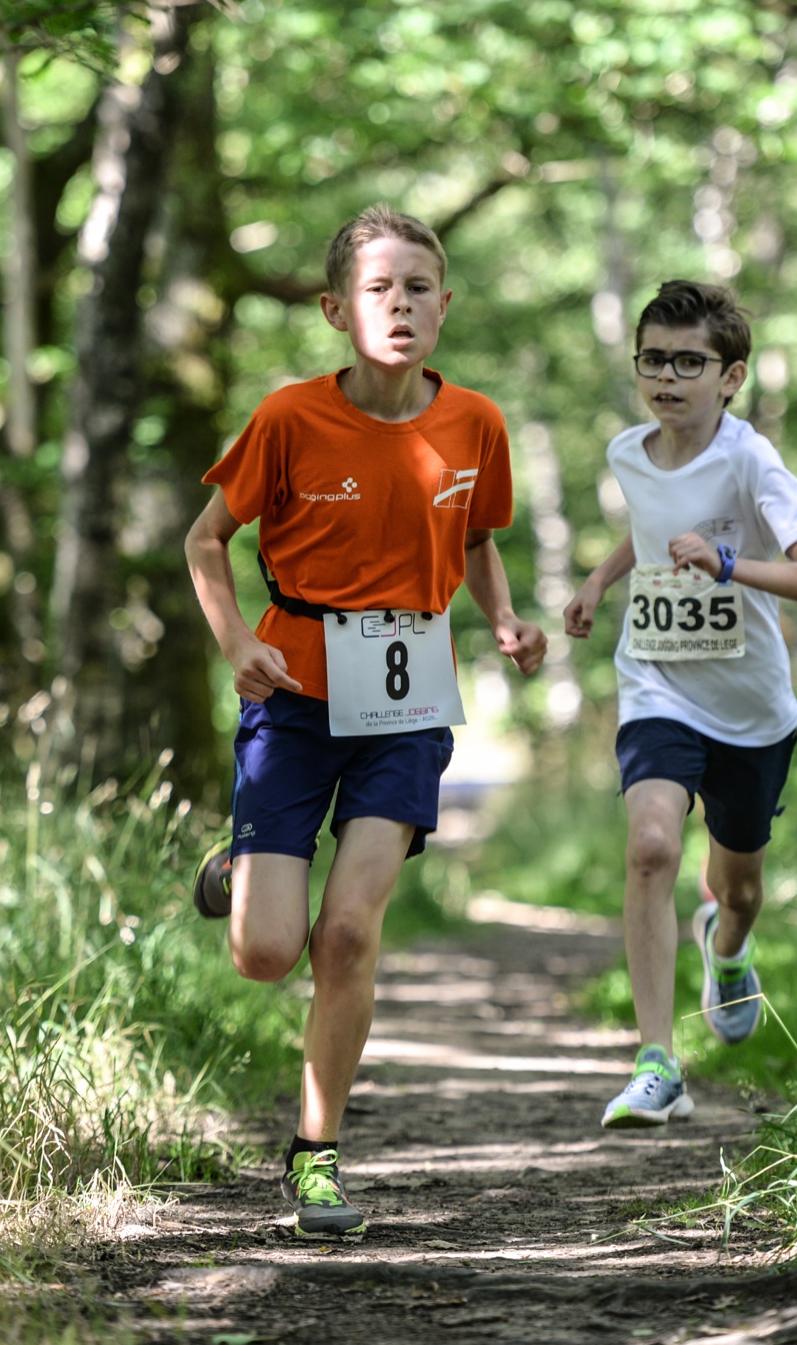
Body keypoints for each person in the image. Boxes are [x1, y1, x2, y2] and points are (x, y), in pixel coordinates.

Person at [183, 205, 547, 1237]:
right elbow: (204, 541)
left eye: (418, 287)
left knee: (346, 932)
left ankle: (316, 1153)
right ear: (336, 308)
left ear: (444, 304)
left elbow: (476, 536)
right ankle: (235, 873)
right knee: (266, 949)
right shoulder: (288, 419)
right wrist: (233, 642)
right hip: (292, 696)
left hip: (406, 699)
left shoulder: (473, 421)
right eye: (378, 289)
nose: (400, 305)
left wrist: (506, 619)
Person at [562, 280, 797, 1130]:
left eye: (691, 361)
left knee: (741, 886)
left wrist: (728, 564)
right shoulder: (626, 452)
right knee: (650, 845)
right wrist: (599, 579)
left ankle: (726, 947)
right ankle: (657, 1062)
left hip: (752, 707)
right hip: (657, 681)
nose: (668, 376)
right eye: (654, 359)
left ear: (731, 376)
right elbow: (653, 524)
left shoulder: (752, 459)